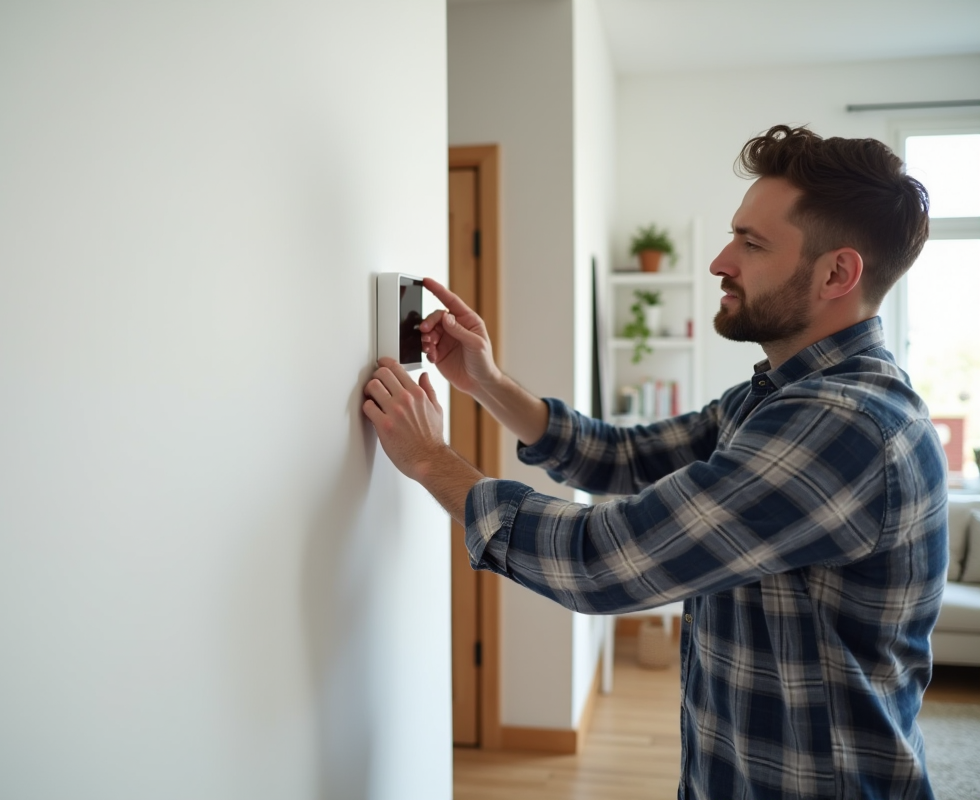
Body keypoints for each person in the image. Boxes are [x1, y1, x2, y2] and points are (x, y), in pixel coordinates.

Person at [362, 125, 948, 800]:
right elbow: (623, 458)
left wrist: (433, 461)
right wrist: (487, 381)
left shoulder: (843, 427)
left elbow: (603, 562)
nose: (720, 261)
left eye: (751, 243)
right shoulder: (779, 398)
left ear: (837, 273)